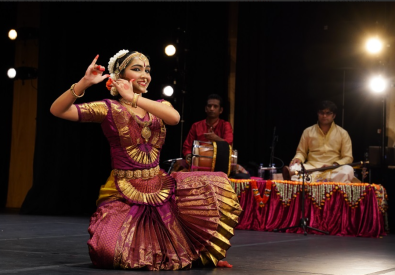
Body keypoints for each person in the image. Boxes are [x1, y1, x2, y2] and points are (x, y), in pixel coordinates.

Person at [50, 50, 242, 270]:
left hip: (160, 187)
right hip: (123, 191)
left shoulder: (160, 105)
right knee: (107, 252)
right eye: (137, 69)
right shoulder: (108, 109)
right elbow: (58, 111)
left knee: (214, 186)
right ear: (119, 75)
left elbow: (174, 118)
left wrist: (134, 98)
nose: (145, 75)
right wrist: (84, 82)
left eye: (148, 70)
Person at [286, 100, 359, 183]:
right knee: (294, 168)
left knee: (348, 170)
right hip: (312, 168)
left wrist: (334, 165)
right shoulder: (308, 131)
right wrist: (298, 158)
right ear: (318, 114)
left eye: (328, 113)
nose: (324, 116)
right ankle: (325, 181)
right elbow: (301, 152)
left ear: (334, 115)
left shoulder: (343, 133)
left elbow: (348, 157)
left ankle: (314, 181)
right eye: (322, 112)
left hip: (333, 169)